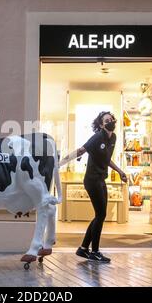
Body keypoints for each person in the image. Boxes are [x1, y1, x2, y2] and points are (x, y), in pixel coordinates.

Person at [59, 111, 127, 263]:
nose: (110, 121)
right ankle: (94, 251)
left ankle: (83, 249)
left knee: (100, 215)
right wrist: (61, 163)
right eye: (106, 120)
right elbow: (81, 150)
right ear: (102, 125)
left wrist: (120, 171)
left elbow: (107, 159)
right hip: (91, 180)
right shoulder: (97, 137)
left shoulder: (113, 138)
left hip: (101, 179)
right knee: (101, 214)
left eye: (111, 119)